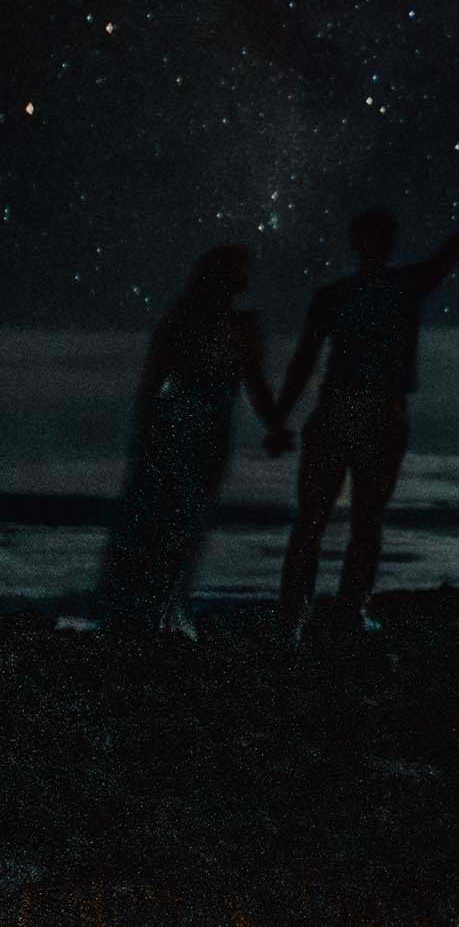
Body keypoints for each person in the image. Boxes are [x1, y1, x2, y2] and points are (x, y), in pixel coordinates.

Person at [268, 203, 459, 640]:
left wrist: (279, 419)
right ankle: (345, 614)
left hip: (338, 409)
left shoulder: (334, 296)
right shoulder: (403, 287)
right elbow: (444, 261)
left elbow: (303, 362)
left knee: (314, 519)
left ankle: (295, 619)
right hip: (379, 413)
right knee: (364, 520)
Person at [96, 244, 285, 640]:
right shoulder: (218, 325)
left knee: (177, 520)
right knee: (175, 521)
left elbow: (250, 384)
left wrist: (275, 426)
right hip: (189, 429)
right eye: (240, 269)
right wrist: (275, 427)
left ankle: (158, 611)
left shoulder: (198, 322)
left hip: (189, 429)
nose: (248, 276)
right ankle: (159, 613)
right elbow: (252, 386)